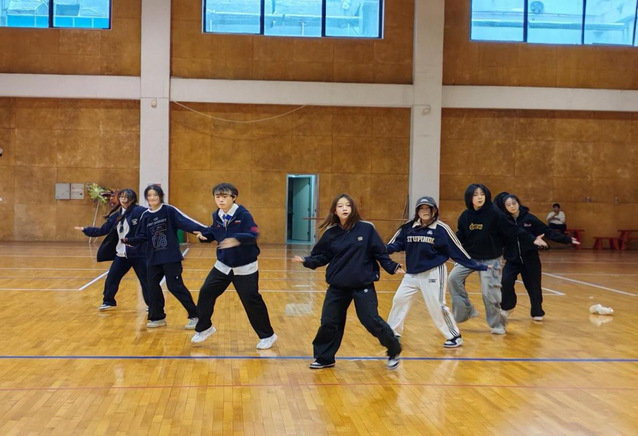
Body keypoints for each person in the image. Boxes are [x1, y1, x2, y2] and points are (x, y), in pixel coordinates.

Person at [293, 193, 404, 370]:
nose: (344, 208)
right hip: (337, 286)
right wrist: (307, 261)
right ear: (334, 211)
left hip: (362, 285)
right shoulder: (331, 233)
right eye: (340, 206)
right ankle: (324, 358)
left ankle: (393, 349)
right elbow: (322, 256)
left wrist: (392, 266)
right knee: (329, 322)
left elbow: (380, 252)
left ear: (353, 209)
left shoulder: (366, 229)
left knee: (371, 320)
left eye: (347, 205)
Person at [386, 196, 488, 348]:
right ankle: (393, 334)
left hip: (433, 272)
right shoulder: (408, 227)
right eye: (422, 208)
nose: (425, 211)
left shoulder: (441, 229)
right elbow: (395, 244)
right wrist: (379, 251)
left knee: (437, 305)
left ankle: (454, 336)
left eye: (428, 208)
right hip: (412, 274)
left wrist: (478, 265)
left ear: (434, 210)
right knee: (399, 299)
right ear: (417, 211)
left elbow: (457, 249)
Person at [190, 183, 277, 350]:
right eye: (217, 197)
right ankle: (205, 328)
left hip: (245, 267)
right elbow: (215, 231)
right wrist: (205, 236)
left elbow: (253, 233)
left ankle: (268, 336)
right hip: (223, 265)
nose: (221, 200)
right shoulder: (217, 215)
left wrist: (236, 239)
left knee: (251, 302)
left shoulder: (243, 215)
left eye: (224, 197)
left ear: (234, 197)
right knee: (206, 292)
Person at [448, 184, 542, 335]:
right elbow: (461, 235)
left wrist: (532, 239)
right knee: (453, 278)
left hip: (490, 260)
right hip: (469, 257)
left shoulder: (495, 214)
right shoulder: (465, 216)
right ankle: (466, 310)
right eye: (476, 194)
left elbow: (512, 229)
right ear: (469, 198)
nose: (479, 197)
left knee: (489, 293)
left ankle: (498, 324)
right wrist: (446, 245)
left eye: (482, 194)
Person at [124, 184, 206, 329]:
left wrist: (206, 231)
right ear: (146, 198)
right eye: (149, 195)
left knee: (175, 287)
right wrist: (130, 241)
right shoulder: (145, 215)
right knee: (152, 287)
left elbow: (186, 222)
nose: (152, 198)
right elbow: (142, 236)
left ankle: (195, 316)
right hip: (153, 258)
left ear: (160, 196)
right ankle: (157, 318)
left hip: (170, 257)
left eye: (155, 195)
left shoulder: (169, 210)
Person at [495, 193, 579, 321]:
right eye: (508, 205)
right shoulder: (504, 221)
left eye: (514, 203)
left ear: (518, 203)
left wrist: (566, 239)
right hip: (512, 259)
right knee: (506, 282)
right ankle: (507, 306)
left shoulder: (529, 218)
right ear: (504, 207)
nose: (512, 206)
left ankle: (537, 311)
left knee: (534, 287)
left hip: (530, 259)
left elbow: (547, 231)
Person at [75, 188, 149, 311]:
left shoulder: (140, 211)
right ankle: (108, 301)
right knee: (112, 278)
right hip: (121, 254)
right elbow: (103, 230)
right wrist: (86, 230)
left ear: (132, 199)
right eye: (121, 197)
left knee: (146, 280)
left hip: (138, 254)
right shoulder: (116, 216)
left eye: (126, 197)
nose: (124, 199)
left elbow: (150, 221)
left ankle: (152, 305)